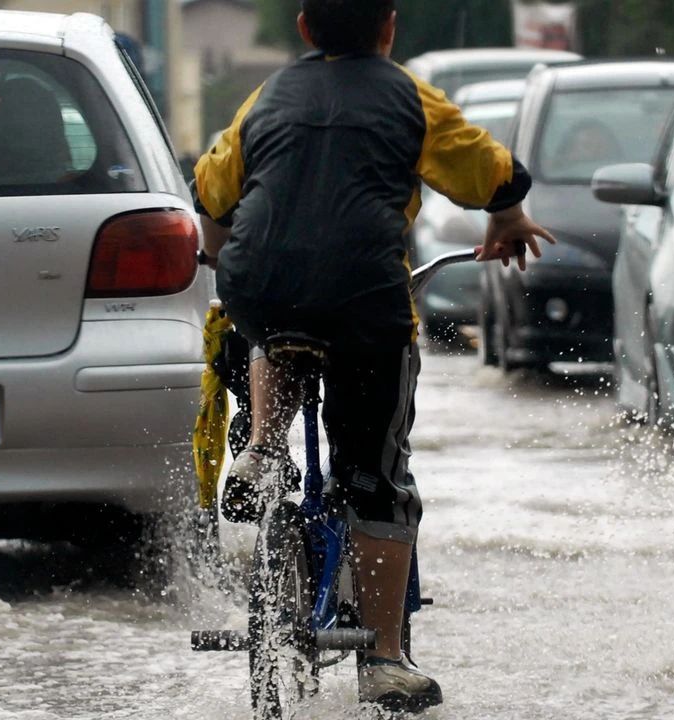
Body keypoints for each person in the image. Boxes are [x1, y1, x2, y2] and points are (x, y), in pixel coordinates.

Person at [191, 0, 554, 713]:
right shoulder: (407, 95)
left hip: (258, 285)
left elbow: (211, 189)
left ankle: (262, 445)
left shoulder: (269, 95)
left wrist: (219, 255)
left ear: (303, 28)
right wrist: (508, 217)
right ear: (389, 26)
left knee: (272, 320)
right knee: (376, 479)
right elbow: (490, 171)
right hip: (363, 299)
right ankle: (385, 658)